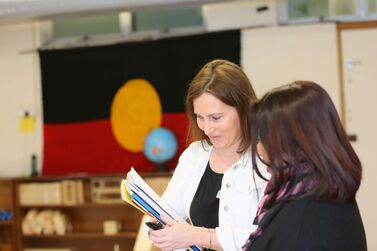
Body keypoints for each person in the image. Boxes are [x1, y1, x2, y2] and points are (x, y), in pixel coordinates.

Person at [147, 59, 268, 251]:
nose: (207, 128)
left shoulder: (267, 160)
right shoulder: (194, 156)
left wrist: (197, 236)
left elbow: (267, 235)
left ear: (244, 108)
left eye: (216, 118)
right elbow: (166, 212)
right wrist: (158, 229)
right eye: (200, 117)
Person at [243, 81, 367, 251]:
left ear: (291, 144)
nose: (259, 148)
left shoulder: (302, 220)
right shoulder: (329, 189)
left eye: (262, 139)